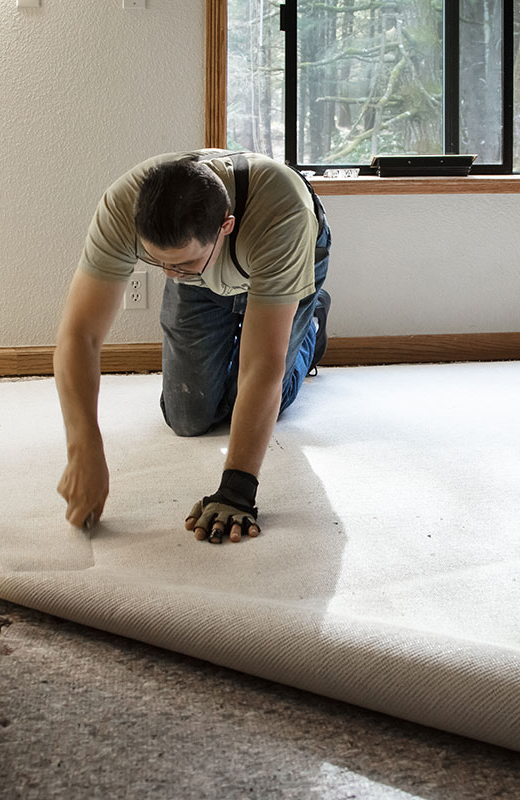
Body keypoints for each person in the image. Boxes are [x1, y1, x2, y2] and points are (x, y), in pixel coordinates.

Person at [53, 150, 331, 545]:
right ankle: (222, 302)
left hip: (285, 254)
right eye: (157, 261)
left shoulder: (283, 215)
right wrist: (84, 448)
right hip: (206, 276)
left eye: (179, 264)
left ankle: (310, 327)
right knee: (186, 416)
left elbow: (262, 366)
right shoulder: (121, 207)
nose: (168, 274)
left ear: (226, 226)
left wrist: (236, 489)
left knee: (258, 396)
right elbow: (78, 334)